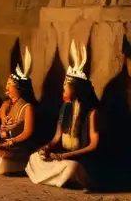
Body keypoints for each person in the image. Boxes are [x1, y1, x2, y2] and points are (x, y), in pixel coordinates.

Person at [26, 41, 103, 190]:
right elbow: (56, 138)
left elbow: (93, 145)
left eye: (65, 89)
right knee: (34, 157)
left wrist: (65, 156)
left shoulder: (92, 113)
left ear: (77, 90)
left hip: (81, 161)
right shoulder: (65, 108)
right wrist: (46, 148)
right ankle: (57, 178)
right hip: (63, 156)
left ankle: (66, 178)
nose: (63, 93)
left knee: (71, 168)